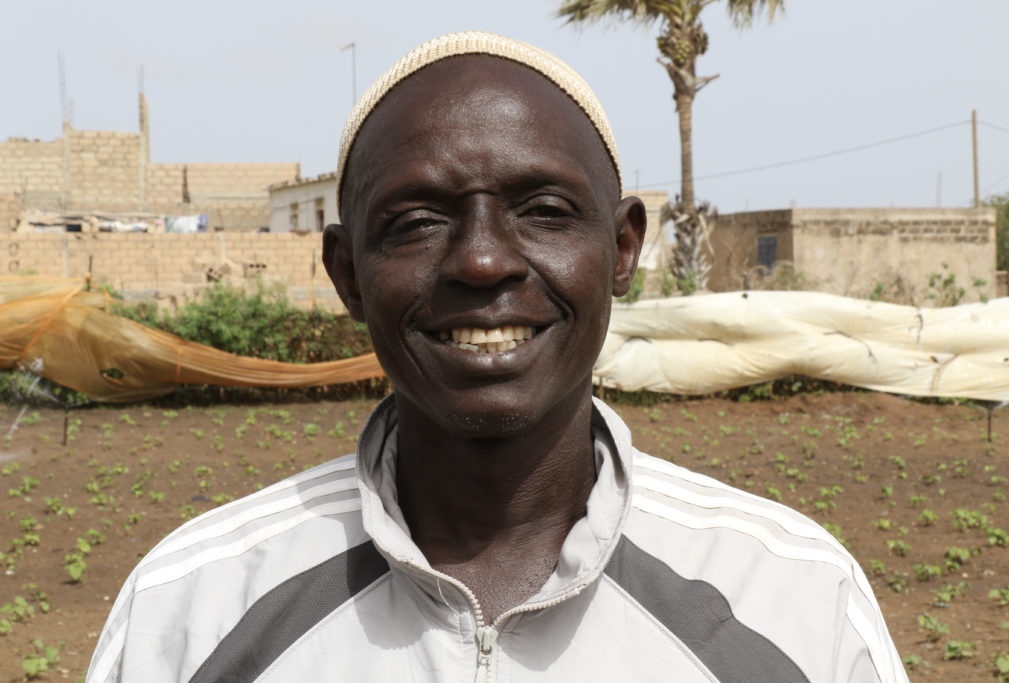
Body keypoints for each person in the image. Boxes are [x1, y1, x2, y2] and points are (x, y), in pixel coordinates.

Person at [88, 31, 908, 682]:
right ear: (346, 273)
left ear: (621, 249)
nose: (483, 262)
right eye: (415, 221)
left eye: (545, 210)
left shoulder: (793, 599)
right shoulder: (192, 607)